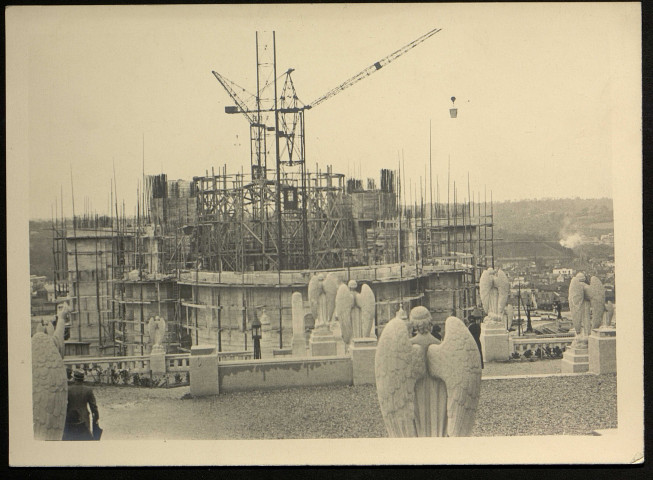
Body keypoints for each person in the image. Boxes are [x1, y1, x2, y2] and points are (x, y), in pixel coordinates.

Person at [63, 369, 100, 441]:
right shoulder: (88, 390)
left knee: (70, 439)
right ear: (83, 379)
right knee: (85, 439)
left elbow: (64, 404)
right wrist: (96, 418)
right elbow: (93, 406)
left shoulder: (68, 390)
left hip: (70, 418)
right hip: (84, 418)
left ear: (74, 378)